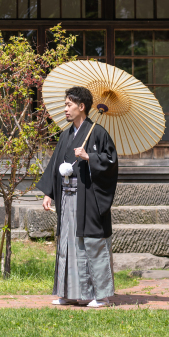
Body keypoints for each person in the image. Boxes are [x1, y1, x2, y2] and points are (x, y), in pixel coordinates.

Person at [36, 86, 118, 308]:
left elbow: (111, 163)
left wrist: (89, 156)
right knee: (67, 243)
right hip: (67, 198)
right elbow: (55, 165)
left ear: (82, 107)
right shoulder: (65, 135)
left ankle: (100, 296)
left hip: (89, 199)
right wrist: (48, 194)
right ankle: (68, 292)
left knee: (90, 243)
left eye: (69, 105)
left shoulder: (98, 133)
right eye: (65, 105)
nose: (65, 109)